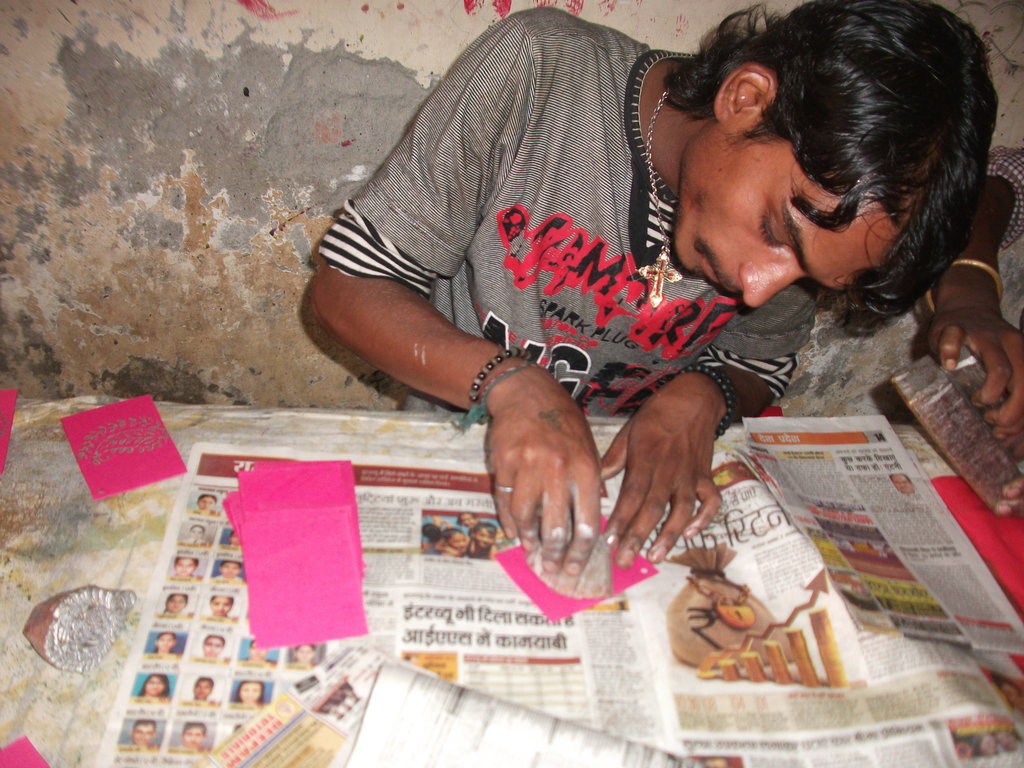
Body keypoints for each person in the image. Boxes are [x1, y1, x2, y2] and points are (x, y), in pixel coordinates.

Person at [310, 0, 1024, 593]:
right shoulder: (539, 73)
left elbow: (758, 365)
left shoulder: (799, 229)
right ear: (745, 99)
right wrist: (509, 383)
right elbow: (346, 284)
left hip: (638, 496)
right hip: (466, 446)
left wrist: (703, 394)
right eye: (776, 231)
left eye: (803, 278)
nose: (758, 285)